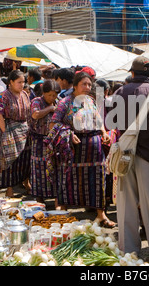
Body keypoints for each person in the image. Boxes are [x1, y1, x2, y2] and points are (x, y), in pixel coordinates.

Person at [110, 55, 149, 262]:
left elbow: (112, 123)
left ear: (132, 73)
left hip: (125, 157)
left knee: (126, 205)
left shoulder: (119, 91)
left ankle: (128, 250)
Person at [47, 72, 112, 223]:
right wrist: (68, 133)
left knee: (97, 178)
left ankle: (101, 215)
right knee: (68, 179)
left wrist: (103, 132)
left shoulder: (90, 100)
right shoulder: (65, 103)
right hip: (72, 148)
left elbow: (98, 119)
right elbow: (53, 124)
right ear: (75, 85)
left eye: (89, 84)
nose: (87, 87)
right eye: (84, 84)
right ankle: (63, 212)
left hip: (93, 146)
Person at [0, 70, 31, 198]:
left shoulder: (25, 95)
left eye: (23, 82)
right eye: (19, 82)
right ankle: (9, 189)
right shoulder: (3, 96)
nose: (22, 85)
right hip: (10, 130)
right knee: (11, 161)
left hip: (25, 130)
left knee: (25, 159)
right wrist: (5, 131)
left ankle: (26, 183)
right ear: (10, 82)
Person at [29, 80, 61, 204]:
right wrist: (50, 109)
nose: (52, 97)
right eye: (49, 95)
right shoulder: (36, 101)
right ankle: (39, 199)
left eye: (54, 95)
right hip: (39, 140)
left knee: (55, 169)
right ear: (44, 93)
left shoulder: (59, 102)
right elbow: (35, 115)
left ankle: (57, 200)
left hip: (54, 141)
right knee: (39, 169)